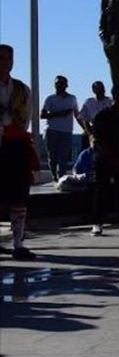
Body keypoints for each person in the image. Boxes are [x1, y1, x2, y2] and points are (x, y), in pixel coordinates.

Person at [0, 44, 37, 260]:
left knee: (19, 196)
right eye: (1, 58)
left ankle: (18, 244)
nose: (4, 62)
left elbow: (26, 118)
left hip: (15, 146)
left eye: (8, 59)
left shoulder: (22, 89)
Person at [90, 85, 119, 235]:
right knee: (101, 190)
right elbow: (97, 139)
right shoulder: (102, 116)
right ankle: (97, 223)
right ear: (117, 97)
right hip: (104, 158)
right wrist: (110, 156)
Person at [40, 75, 79, 180]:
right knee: (52, 156)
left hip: (66, 131)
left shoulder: (72, 98)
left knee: (64, 156)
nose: (59, 85)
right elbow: (42, 115)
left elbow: (77, 115)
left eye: (61, 83)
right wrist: (60, 114)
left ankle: (61, 176)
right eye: (57, 83)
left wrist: (85, 128)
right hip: (52, 130)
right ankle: (54, 176)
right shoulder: (50, 98)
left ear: (66, 85)